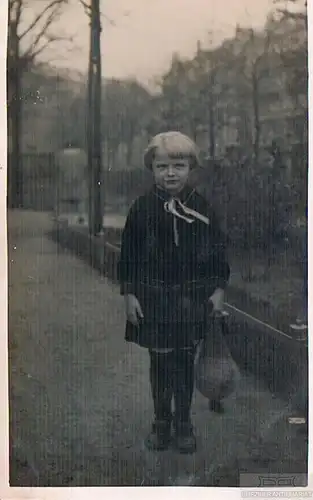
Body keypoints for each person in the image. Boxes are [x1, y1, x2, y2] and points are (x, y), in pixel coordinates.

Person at [118, 131, 230, 454]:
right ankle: (161, 421)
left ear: (190, 167)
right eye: (162, 166)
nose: (170, 173)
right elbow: (128, 257)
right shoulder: (141, 209)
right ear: (151, 168)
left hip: (192, 300)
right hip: (153, 299)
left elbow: (219, 254)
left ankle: (183, 423)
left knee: (184, 362)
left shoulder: (202, 208)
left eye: (178, 165)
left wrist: (218, 290)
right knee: (160, 362)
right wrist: (130, 295)